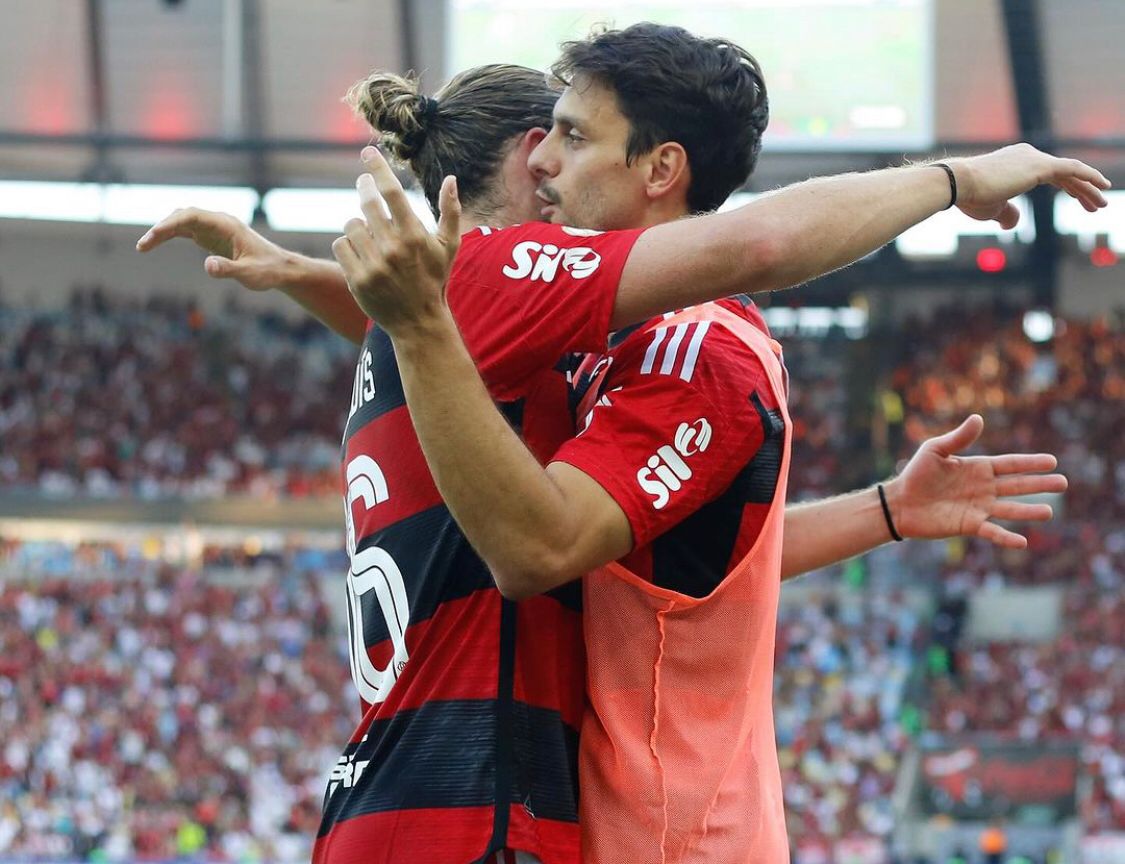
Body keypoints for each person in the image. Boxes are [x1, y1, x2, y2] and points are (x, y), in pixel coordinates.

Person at [137, 26, 1103, 864]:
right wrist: (951, 179)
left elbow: (663, 564)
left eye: (572, 134)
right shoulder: (492, 310)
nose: (549, 161)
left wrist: (884, 511)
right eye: (544, 137)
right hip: (492, 810)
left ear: (658, 168)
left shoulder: (673, 347)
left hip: (575, 823)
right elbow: (547, 542)